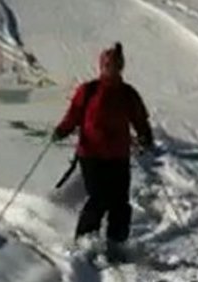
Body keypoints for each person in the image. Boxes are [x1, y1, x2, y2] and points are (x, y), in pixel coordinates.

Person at [52, 42, 154, 262]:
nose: (111, 68)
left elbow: (139, 119)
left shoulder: (128, 94)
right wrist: (62, 130)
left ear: (121, 67)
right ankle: (84, 242)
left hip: (118, 156)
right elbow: (74, 114)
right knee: (98, 197)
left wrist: (145, 136)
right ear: (101, 66)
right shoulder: (89, 91)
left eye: (116, 64)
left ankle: (116, 244)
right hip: (91, 154)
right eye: (107, 64)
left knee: (120, 202)